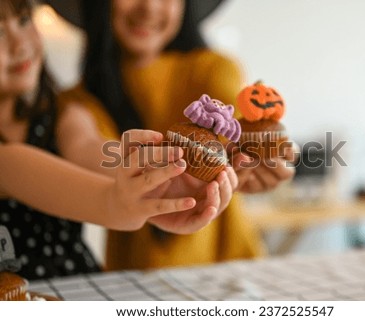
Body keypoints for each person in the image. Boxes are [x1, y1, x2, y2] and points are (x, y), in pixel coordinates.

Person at [0, 0, 234, 279]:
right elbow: (10, 164)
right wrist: (115, 202)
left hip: (78, 283)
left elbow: (89, 148)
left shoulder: (64, 112)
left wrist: (158, 175)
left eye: (25, 20)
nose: (19, 45)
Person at [59, 0, 296, 270]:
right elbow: (85, 149)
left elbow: (234, 118)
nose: (149, 7)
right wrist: (147, 174)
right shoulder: (76, 102)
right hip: (137, 280)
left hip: (231, 268)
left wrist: (260, 154)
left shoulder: (213, 69)